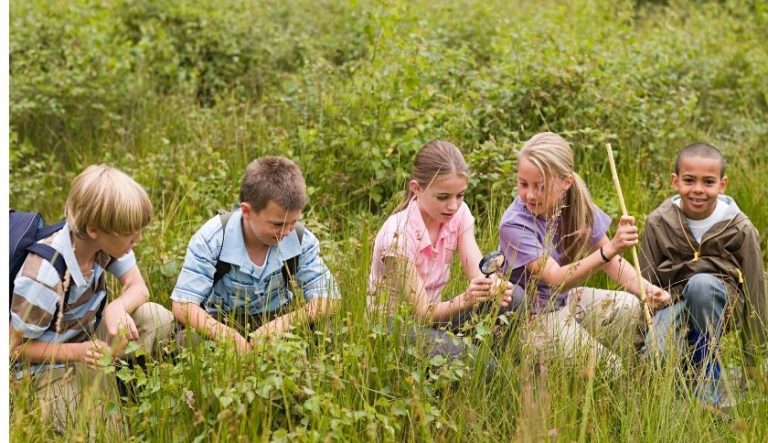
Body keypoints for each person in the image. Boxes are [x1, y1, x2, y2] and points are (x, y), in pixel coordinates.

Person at [10, 164, 175, 430]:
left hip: (86, 339)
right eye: (131, 236)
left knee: (154, 317)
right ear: (94, 230)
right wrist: (76, 352)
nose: (139, 239)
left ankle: (128, 384)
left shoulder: (106, 245)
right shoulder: (44, 274)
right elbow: (13, 349)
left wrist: (117, 308)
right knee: (105, 431)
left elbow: (138, 287)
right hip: (41, 368)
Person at [498, 132, 670, 370]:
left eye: (541, 186)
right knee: (608, 368)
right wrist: (610, 249)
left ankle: (631, 371)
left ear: (565, 183)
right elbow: (556, 280)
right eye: (523, 184)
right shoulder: (514, 225)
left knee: (630, 307)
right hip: (529, 318)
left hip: (564, 301)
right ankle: (607, 369)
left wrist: (646, 289)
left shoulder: (577, 204)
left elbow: (613, 261)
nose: (530, 195)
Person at [639, 142, 767, 405]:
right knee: (653, 354)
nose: (698, 189)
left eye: (708, 182)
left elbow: (756, 288)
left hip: (724, 305)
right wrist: (645, 335)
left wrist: (755, 358)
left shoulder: (740, 227)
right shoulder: (658, 221)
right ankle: (683, 374)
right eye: (689, 180)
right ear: (675, 182)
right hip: (672, 302)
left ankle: (708, 373)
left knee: (701, 285)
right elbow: (643, 281)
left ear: (722, 184)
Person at [368, 140, 517, 361]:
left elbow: (476, 267)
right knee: (474, 361)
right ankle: (480, 366)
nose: (453, 206)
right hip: (394, 328)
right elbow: (421, 314)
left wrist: (493, 284)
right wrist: (466, 299)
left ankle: (488, 365)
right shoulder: (397, 235)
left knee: (515, 299)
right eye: (443, 197)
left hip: (436, 319)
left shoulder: (458, 214)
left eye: (460, 195)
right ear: (416, 188)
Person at [171, 156, 339, 351]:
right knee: (186, 340)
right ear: (247, 211)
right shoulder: (212, 238)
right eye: (278, 224)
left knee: (326, 327)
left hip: (278, 319)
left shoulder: (301, 239)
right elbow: (183, 304)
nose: (286, 232)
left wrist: (283, 324)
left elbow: (329, 298)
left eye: (293, 222)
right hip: (221, 322)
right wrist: (228, 336)